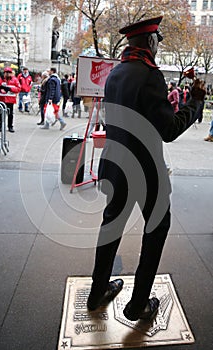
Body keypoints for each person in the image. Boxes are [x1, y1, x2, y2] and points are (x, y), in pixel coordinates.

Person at [87, 16, 206, 322]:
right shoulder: (150, 75)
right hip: (145, 171)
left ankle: (97, 291)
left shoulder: (116, 73)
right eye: (158, 40)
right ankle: (138, 303)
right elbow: (170, 130)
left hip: (115, 165)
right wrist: (195, 102)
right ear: (151, 42)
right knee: (156, 229)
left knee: (111, 226)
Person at [0, 67, 21, 133]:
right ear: (4, 73)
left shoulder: (15, 80)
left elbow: (18, 89)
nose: (8, 74)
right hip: (1, 99)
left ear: (11, 73)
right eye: (6, 72)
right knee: (1, 114)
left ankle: (10, 126)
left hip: (10, 100)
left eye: (9, 73)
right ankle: (1, 126)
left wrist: (10, 89)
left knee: (10, 114)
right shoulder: (0, 80)